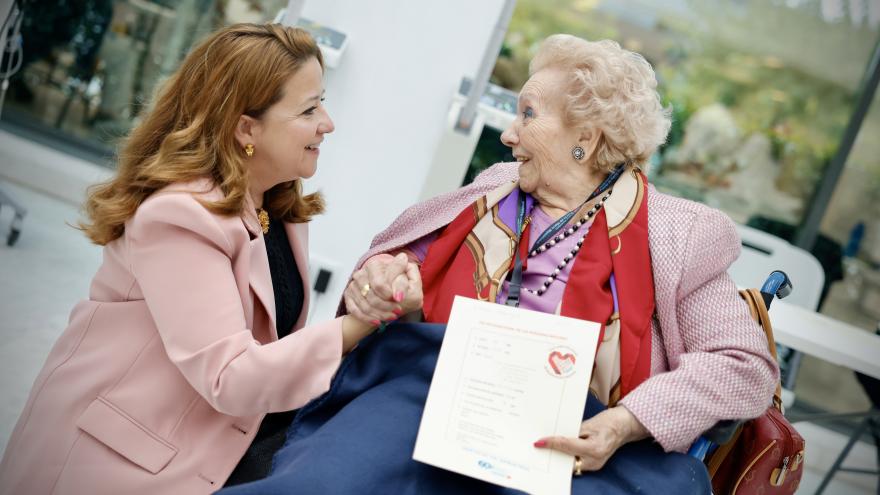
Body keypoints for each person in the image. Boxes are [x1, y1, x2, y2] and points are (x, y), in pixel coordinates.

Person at [217, 34, 780, 495]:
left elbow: (743, 365)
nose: (509, 133)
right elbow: (404, 260)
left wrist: (625, 423)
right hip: (433, 393)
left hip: (574, 434)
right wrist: (384, 280)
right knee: (326, 484)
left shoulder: (679, 232)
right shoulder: (494, 188)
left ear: (585, 138)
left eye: (528, 115)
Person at [0, 23, 419, 495]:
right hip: (120, 463)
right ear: (246, 127)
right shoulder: (179, 216)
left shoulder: (276, 208)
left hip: (215, 441)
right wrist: (361, 322)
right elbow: (230, 376)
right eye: (309, 108)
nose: (328, 122)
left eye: (323, 100)